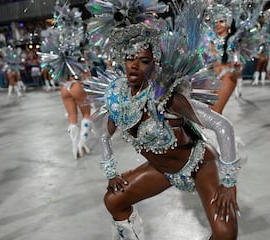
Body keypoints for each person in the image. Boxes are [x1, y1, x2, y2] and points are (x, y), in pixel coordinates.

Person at [85, 1, 241, 238]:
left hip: (198, 164)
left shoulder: (167, 97)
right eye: (129, 58)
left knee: (225, 232)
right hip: (162, 170)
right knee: (114, 200)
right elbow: (105, 135)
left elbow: (222, 125)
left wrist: (228, 184)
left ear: (155, 63)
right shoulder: (117, 98)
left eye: (144, 61)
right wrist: (110, 172)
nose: (134, 66)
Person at [61, 72, 92, 159]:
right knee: (86, 114)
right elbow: (86, 76)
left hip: (64, 87)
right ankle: (81, 143)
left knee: (72, 118)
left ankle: (74, 148)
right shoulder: (78, 60)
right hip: (77, 86)